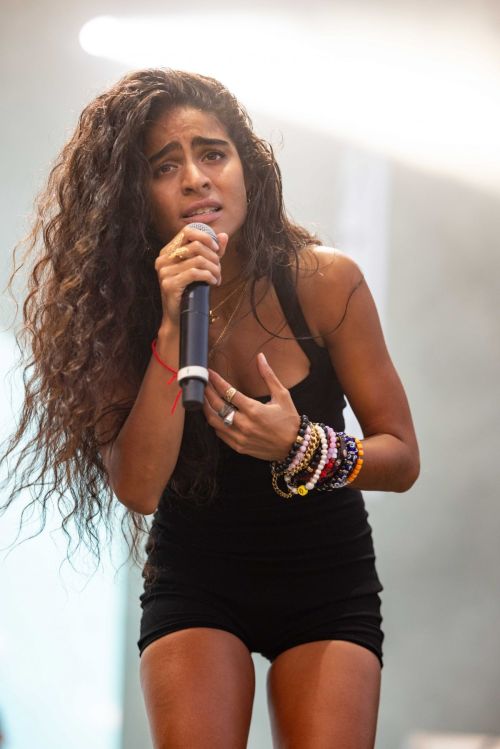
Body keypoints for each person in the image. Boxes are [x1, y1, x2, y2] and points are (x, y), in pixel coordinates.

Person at [4, 69, 419, 748]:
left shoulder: (325, 282)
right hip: (197, 575)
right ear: (136, 198)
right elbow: (138, 488)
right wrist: (170, 324)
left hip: (324, 574)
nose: (196, 177)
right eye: (166, 166)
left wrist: (304, 447)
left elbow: (402, 457)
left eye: (213, 154)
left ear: (247, 170)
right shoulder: (120, 316)